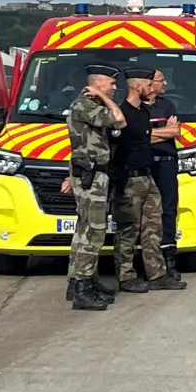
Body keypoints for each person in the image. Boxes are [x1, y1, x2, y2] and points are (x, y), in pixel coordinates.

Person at [111, 68, 187, 294]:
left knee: (153, 227)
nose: (151, 88)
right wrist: (166, 131)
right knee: (128, 229)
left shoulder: (144, 112)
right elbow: (128, 142)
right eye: (147, 84)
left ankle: (157, 274)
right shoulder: (123, 114)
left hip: (148, 176)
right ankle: (126, 276)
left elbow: (155, 136)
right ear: (137, 87)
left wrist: (158, 134)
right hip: (130, 178)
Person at [64, 64, 126, 310]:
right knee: (94, 232)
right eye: (111, 83)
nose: (114, 87)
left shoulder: (88, 106)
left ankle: (82, 281)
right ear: (98, 84)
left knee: (84, 230)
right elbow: (119, 120)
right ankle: (82, 287)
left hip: (91, 174)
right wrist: (101, 97)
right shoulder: (86, 105)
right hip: (92, 176)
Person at [146, 68, 182, 279]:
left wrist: (147, 134)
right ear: (149, 84)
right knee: (146, 213)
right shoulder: (136, 108)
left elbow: (175, 132)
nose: (165, 83)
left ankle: (169, 258)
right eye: (161, 80)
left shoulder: (167, 105)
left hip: (167, 164)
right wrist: (162, 133)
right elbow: (135, 137)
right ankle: (150, 260)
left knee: (168, 211)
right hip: (145, 165)